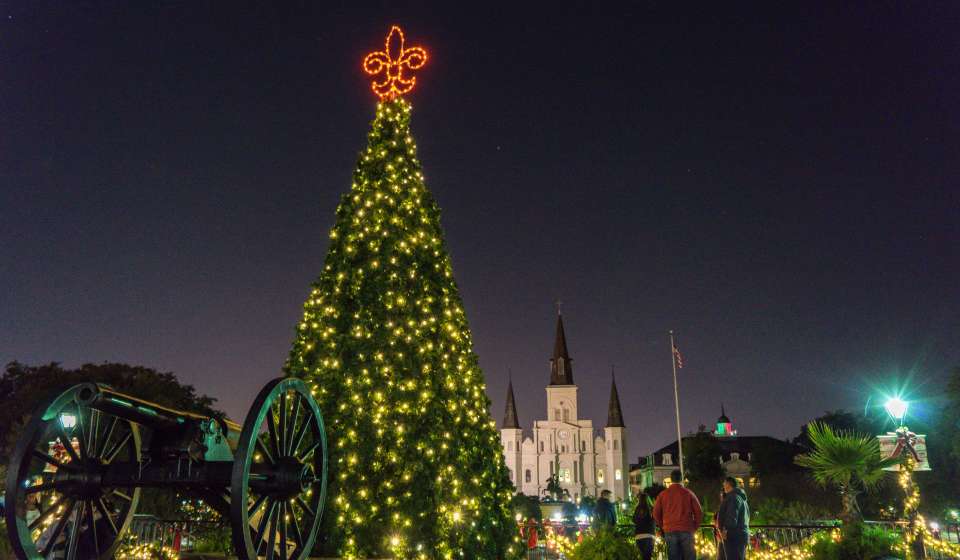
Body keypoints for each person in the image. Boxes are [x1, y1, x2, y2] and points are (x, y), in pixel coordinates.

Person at [653, 469, 703, 560]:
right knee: (689, 557)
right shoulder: (688, 493)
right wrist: (694, 527)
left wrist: (663, 526)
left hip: (670, 530)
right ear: (681, 479)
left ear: (671, 479)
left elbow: (655, 513)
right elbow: (699, 512)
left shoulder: (663, 495)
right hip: (687, 529)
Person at [716, 477, 750, 560]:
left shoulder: (733, 497)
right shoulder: (740, 498)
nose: (723, 486)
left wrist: (725, 531)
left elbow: (731, 517)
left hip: (733, 537)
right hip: (739, 536)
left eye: (724, 483)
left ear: (728, 484)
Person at [633, 491, 656, 560]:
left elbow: (633, 520)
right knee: (648, 557)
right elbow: (655, 519)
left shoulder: (637, 509)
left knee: (642, 556)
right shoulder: (652, 509)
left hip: (639, 535)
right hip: (649, 535)